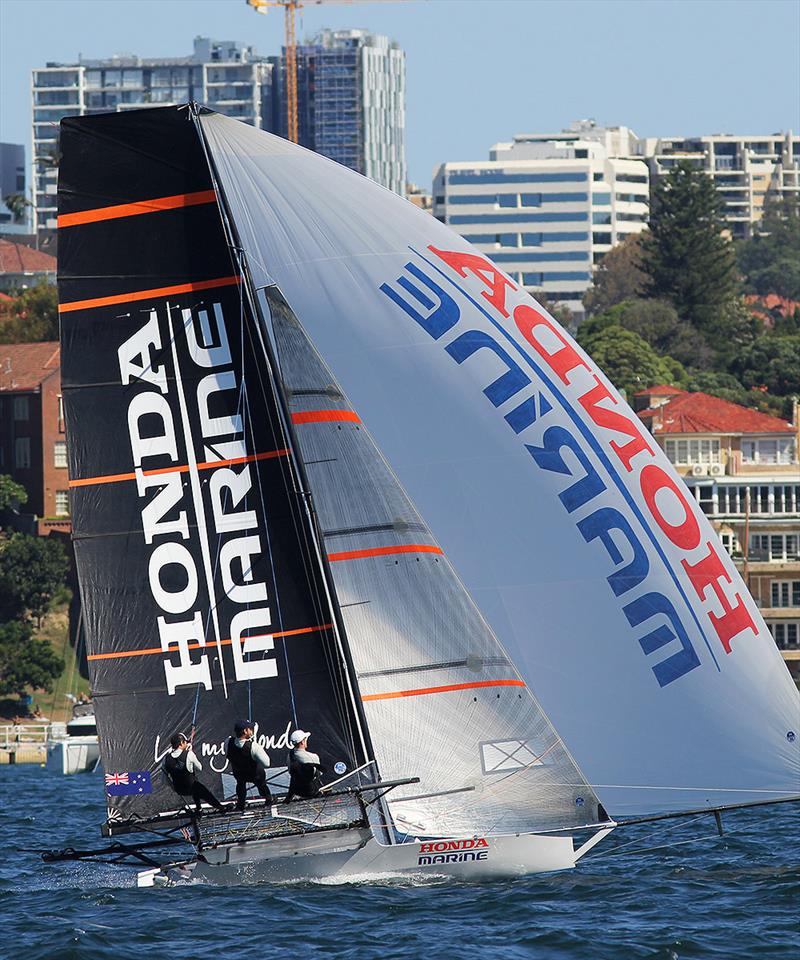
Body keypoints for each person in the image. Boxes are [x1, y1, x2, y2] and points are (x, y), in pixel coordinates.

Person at [163, 732, 225, 815]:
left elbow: (164, 778)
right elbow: (200, 768)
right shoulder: (189, 754)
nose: (187, 743)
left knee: (196, 786)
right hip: (191, 788)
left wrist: (173, 787)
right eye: (185, 742)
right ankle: (219, 807)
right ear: (182, 743)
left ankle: (199, 808)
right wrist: (191, 754)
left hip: (179, 789)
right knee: (199, 788)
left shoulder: (166, 759)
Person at [226, 720, 272, 810]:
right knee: (261, 784)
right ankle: (268, 799)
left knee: (240, 784)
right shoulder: (253, 746)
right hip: (255, 775)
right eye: (250, 729)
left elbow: (228, 754)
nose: (252, 730)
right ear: (245, 731)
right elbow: (267, 763)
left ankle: (241, 803)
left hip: (238, 774)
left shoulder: (228, 742)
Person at [286, 729, 325, 801]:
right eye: (305, 739)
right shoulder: (313, 757)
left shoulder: (289, 756)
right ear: (302, 742)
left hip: (296, 790)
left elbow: (290, 772)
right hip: (310, 792)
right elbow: (319, 774)